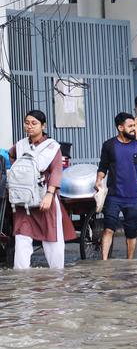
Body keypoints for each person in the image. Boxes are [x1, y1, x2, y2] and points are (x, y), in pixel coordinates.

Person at [8, 111, 76, 269]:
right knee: (21, 238)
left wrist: (50, 194)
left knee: (52, 238)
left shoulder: (52, 147)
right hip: (22, 200)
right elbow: (11, 157)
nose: (29, 126)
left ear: (43, 126)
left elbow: (57, 171)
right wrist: (21, 177)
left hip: (45, 197)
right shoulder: (20, 145)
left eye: (34, 123)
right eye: (27, 123)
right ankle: (22, 282)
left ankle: (57, 277)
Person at [96, 112, 137, 260]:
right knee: (108, 229)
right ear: (120, 127)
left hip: (133, 197)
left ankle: (130, 262)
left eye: (134, 125)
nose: (133, 129)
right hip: (114, 195)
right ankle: (104, 261)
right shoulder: (109, 145)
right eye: (130, 126)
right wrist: (98, 181)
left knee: (131, 232)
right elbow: (103, 167)